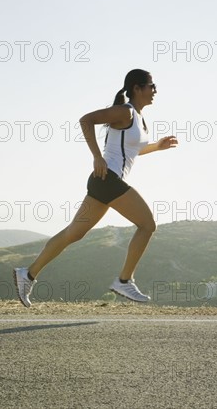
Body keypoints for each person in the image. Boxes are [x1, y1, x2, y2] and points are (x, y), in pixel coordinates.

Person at [13, 69, 177, 307]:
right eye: (151, 86)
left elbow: (133, 150)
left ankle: (26, 274)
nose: (155, 91)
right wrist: (96, 157)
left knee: (73, 233)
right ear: (136, 88)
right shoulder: (124, 111)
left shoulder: (139, 119)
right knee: (147, 224)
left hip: (104, 182)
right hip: (107, 178)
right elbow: (86, 120)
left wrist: (157, 147)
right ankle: (124, 280)